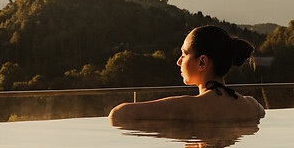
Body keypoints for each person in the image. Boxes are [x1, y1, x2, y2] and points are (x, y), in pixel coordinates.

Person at [109, 25, 265, 124]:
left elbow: (118, 114)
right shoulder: (252, 106)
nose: (179, 62)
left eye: (184, 54)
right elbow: (262, 112)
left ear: (202, 62)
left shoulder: (188, 107)